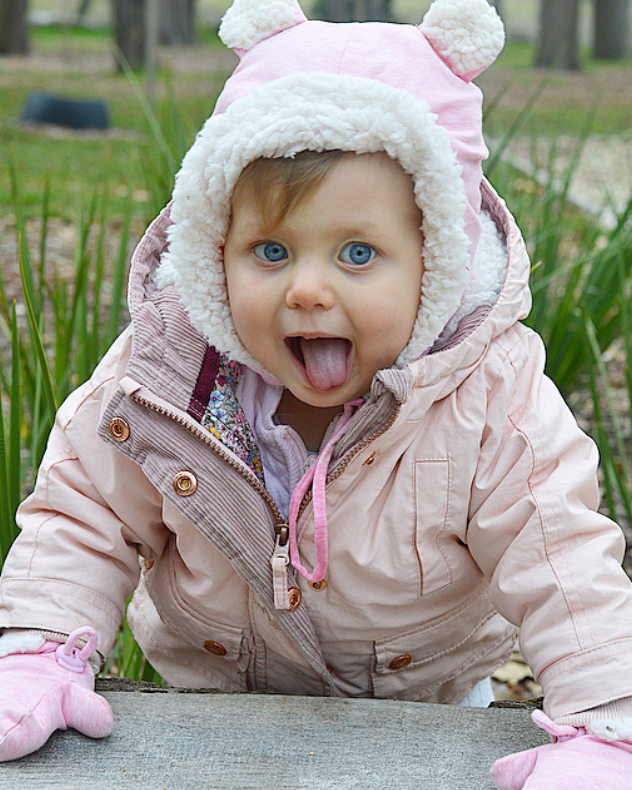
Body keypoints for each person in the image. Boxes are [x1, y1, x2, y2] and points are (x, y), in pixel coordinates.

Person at [1, 0, 631, 784]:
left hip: (425, 708)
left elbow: (560, 554)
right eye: (270, 250)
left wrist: (608, 720)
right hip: (207, 706)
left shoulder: (486, 394)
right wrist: (36, 649)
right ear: (215, 250)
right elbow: (84, 512)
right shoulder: (169, 374)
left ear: (437, 262)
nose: (306, 289)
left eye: (358, 253)